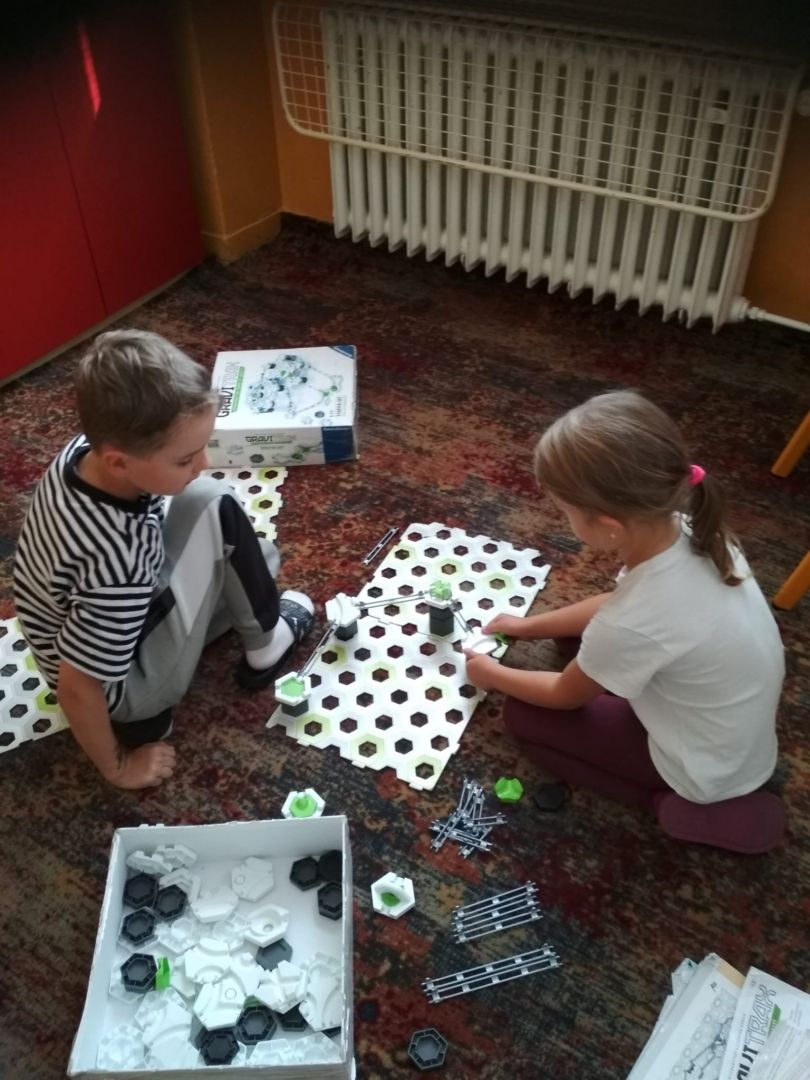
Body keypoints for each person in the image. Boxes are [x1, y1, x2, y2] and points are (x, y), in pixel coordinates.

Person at [464, 390, 786, 855]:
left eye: (564, 511)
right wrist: (527, 626)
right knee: (577, 646)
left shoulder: (634, 621)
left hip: (701, 769)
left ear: (607, 525)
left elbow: (564, 695)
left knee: (523, 715)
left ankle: (675, 806)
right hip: (732, 733)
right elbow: (616, 605)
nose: (562, 519)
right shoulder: (690, 527)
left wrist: (491, 674)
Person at [13, 330, 314, 791]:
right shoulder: (118, 563)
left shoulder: (83, 452)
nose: (203, 461)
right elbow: (77, 687)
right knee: (214, 503)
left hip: (83, 635)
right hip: (124, 690)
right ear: (119, 463)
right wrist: (117, 767)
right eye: (184, 459)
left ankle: (221, 621)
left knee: (246, 548)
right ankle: (265, 646)